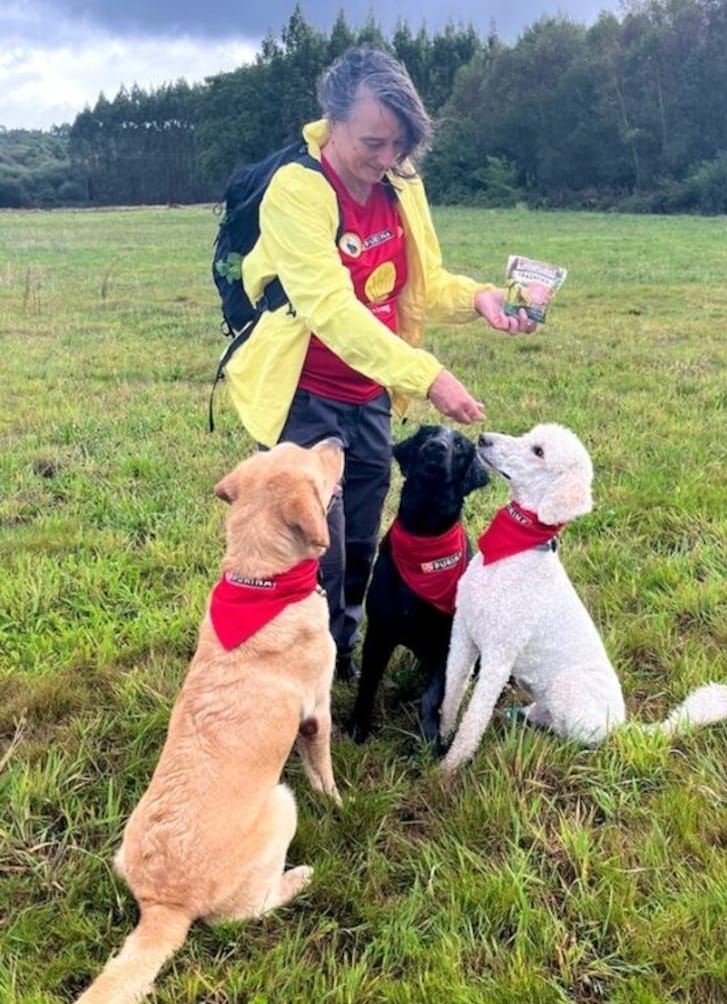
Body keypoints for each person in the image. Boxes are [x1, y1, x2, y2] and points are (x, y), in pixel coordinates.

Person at [224, 46, 536, 681]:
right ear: (331, 119)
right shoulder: (297, 191)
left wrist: (478, 296)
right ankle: (289, 661)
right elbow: (332, 309)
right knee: (315, 543)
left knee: (362, 539)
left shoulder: (402, 184)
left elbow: (416, 284)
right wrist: (426, 375)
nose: (386, 158)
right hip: (303, 394)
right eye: (373, 141)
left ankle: (335, 653)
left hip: (369, 395)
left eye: (399, 144)